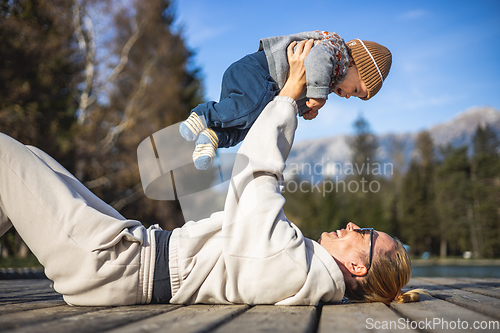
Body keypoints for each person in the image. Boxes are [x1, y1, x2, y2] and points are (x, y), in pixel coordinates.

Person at [0, 40, 419, 306]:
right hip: (130, 253)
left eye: (364, 234)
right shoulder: (305, 268)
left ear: (358, 268)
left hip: (114, 264)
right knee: (30, 157)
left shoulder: (296, 268)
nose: (353, 225)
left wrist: (291, 95)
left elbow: (254, 178)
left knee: (5, 157)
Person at [179, 31, 392, 170]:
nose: (347, 95)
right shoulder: (336, 50)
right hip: (256, 72)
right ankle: (204, 114)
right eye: (355, 90)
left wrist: (304, 109)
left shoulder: (329, 77)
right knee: (249, 109)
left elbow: (292, 94)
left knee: (248, 127)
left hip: (262, 90)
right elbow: (317, 59)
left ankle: (213, 137)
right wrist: (318, 94)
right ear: (355, 63)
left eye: (354, 96)